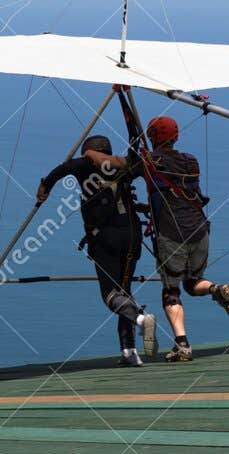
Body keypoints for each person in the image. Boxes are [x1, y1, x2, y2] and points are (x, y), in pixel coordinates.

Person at [83, 115, 229, 363]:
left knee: (171, 292)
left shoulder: (149, 162)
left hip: (172, 234)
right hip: (199, 229)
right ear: (176, 136)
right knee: (192, 282)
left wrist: (93, 156)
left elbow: (117, 164)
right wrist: (149, 206)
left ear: (154, 137)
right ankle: (215, 289)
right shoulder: (191, 162)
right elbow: (175, 192)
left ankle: (183, 345)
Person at [35, 135, 158, 366]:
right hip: (132, 235)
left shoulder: (87, 165)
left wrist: (45, 186)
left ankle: (141, 319)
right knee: (125, 291)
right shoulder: (125, 167)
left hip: (105, 237)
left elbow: (65, 168)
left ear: (89, 152)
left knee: (110, 295)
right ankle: (129, 352)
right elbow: (148, 173)